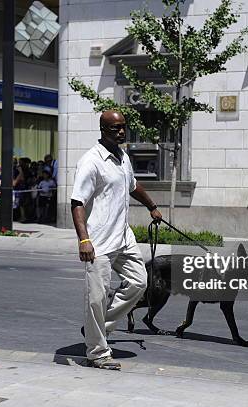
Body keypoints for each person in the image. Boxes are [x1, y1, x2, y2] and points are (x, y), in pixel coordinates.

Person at [71, 110, 162, 370]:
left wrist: (152, 206)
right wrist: (83, 240)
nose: (121, 132)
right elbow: (77, 202)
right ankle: (97, 352)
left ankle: (99, 326)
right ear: (102, 129)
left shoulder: (123, 157)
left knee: (139, 282)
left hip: (123, 236)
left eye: (123, 127)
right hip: (98, 241)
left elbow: (133, 185)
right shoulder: (91, 161)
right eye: (115, 128)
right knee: (95, 298)